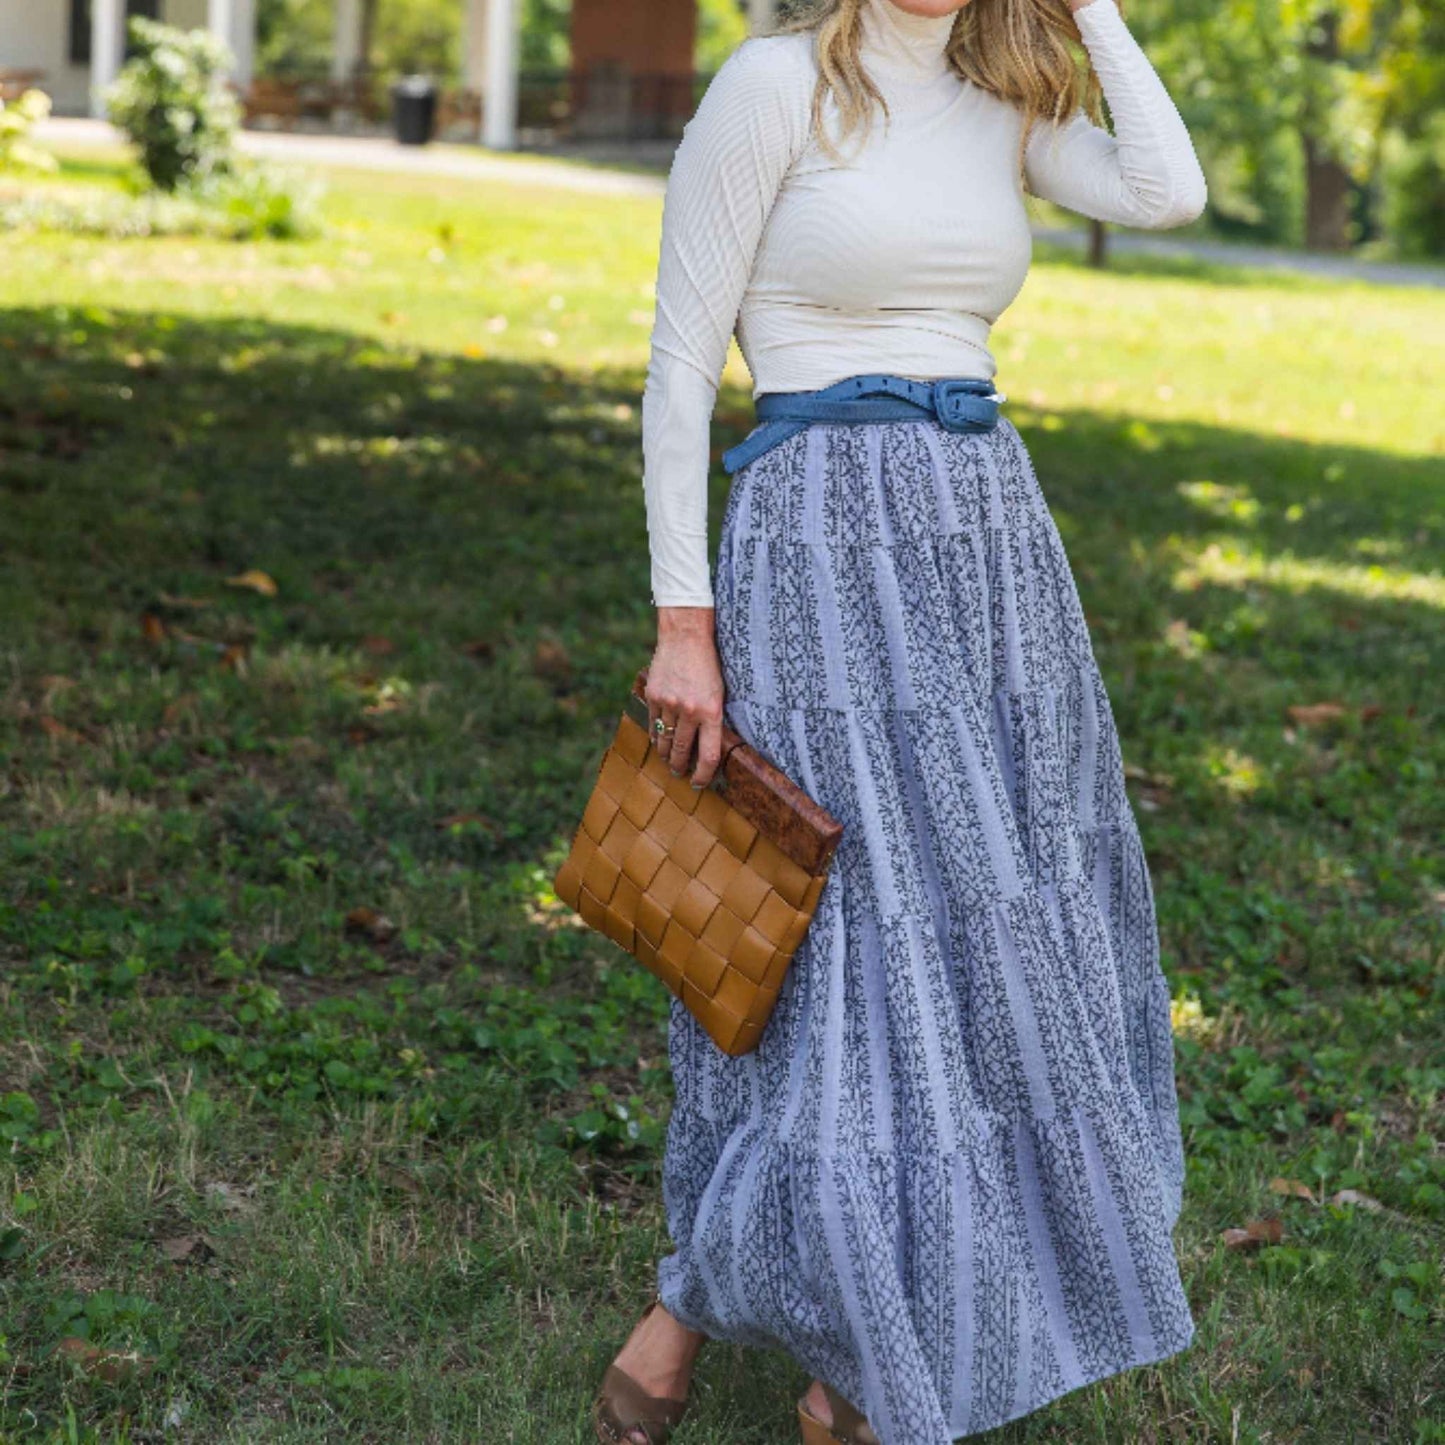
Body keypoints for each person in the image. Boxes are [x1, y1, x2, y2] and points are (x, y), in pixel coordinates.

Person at [591, 0, 1207, 1440]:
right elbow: (680, 364)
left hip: (986, 545)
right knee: (844, 935)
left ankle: (837, 1353)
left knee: (989, 927)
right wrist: (683, 621)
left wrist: (1093, 12)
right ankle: (722, 1307)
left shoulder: (1010, 95)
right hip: (817, 536)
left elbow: (1166, 190)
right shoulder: (770, 87)